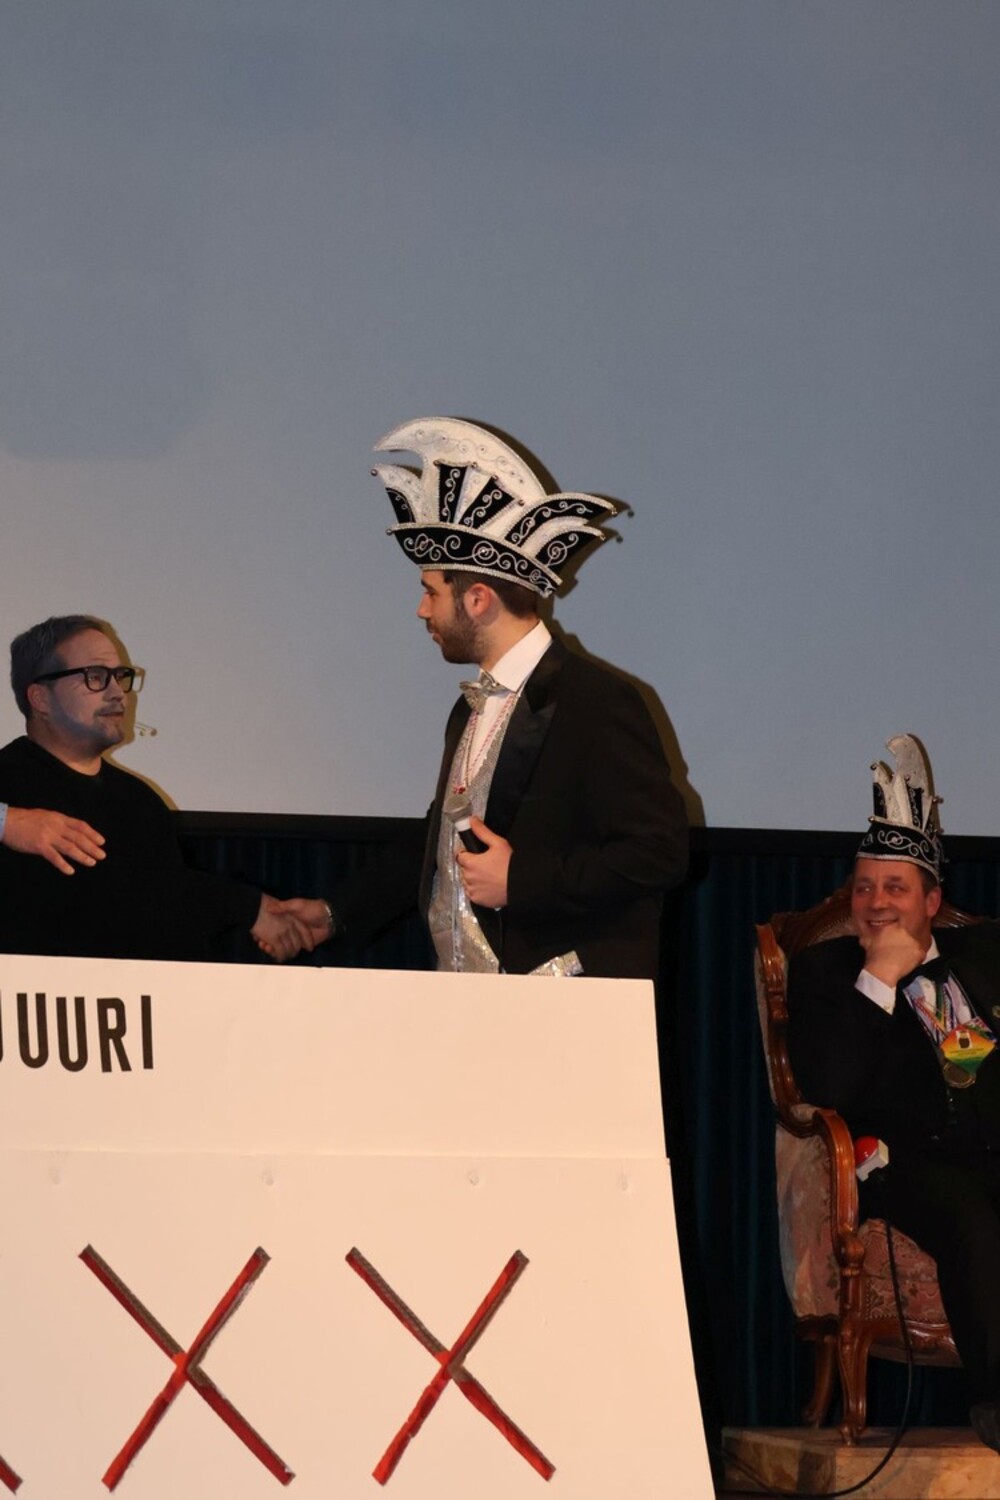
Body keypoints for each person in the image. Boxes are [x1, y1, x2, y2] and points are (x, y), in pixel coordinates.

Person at [276, 416, 688, 978]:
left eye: (430, 592)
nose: (421, 609)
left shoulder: (597, 701)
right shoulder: (469, 709)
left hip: (562, 1000)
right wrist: (335, 912)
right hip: (468, 997)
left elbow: (659, 853)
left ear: (477, 599)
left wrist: (522, 880)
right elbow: (441, 841)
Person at [787, 734, 1000, 1451]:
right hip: (903, 1162)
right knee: (971, 1220)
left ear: (932, 901)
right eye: (864, 887)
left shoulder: (985, 955)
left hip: (991, 1143)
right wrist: (878, 978)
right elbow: (830, 1085)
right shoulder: (824, 972)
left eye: (895, 888)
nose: (876, 902)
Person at [0, 615, 317, 962]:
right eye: (95, 676)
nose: (117, 693)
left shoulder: (139, 800)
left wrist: (256, 912)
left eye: (120, 676)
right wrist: (6, 822)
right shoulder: (7, 780)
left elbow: (155, 901)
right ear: (40, 698)